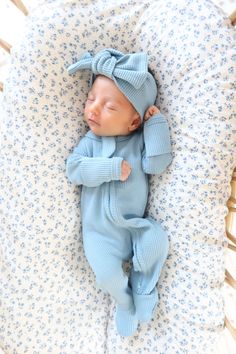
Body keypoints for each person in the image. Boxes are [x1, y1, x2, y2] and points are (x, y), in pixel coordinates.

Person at [66, 48, 172, 336]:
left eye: (109, 107)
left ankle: (143, 282)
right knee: (106, 275)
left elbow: (158, 164)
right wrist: (109, 169)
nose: (93, 109)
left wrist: (156, 126)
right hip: (99, 234)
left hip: (134, 226)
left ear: (133, 122)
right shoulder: (90, 142)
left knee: (157, 241)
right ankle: (124, 301)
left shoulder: (139, 142)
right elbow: (74, 170)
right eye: (91, 100)